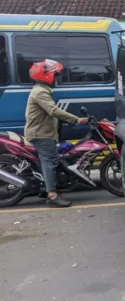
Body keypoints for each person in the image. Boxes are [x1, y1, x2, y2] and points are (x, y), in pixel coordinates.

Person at [24, 59, 88, 207]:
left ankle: (45, 187)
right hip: (41, 134)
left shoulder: (41, 90)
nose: (57, 78)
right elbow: (53, 111)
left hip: (42, 132)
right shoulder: (40, 92)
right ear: (46, 75)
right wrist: (76, 119)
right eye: (55, 74)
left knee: (50, 160)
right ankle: (52, 195)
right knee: (50, 161)